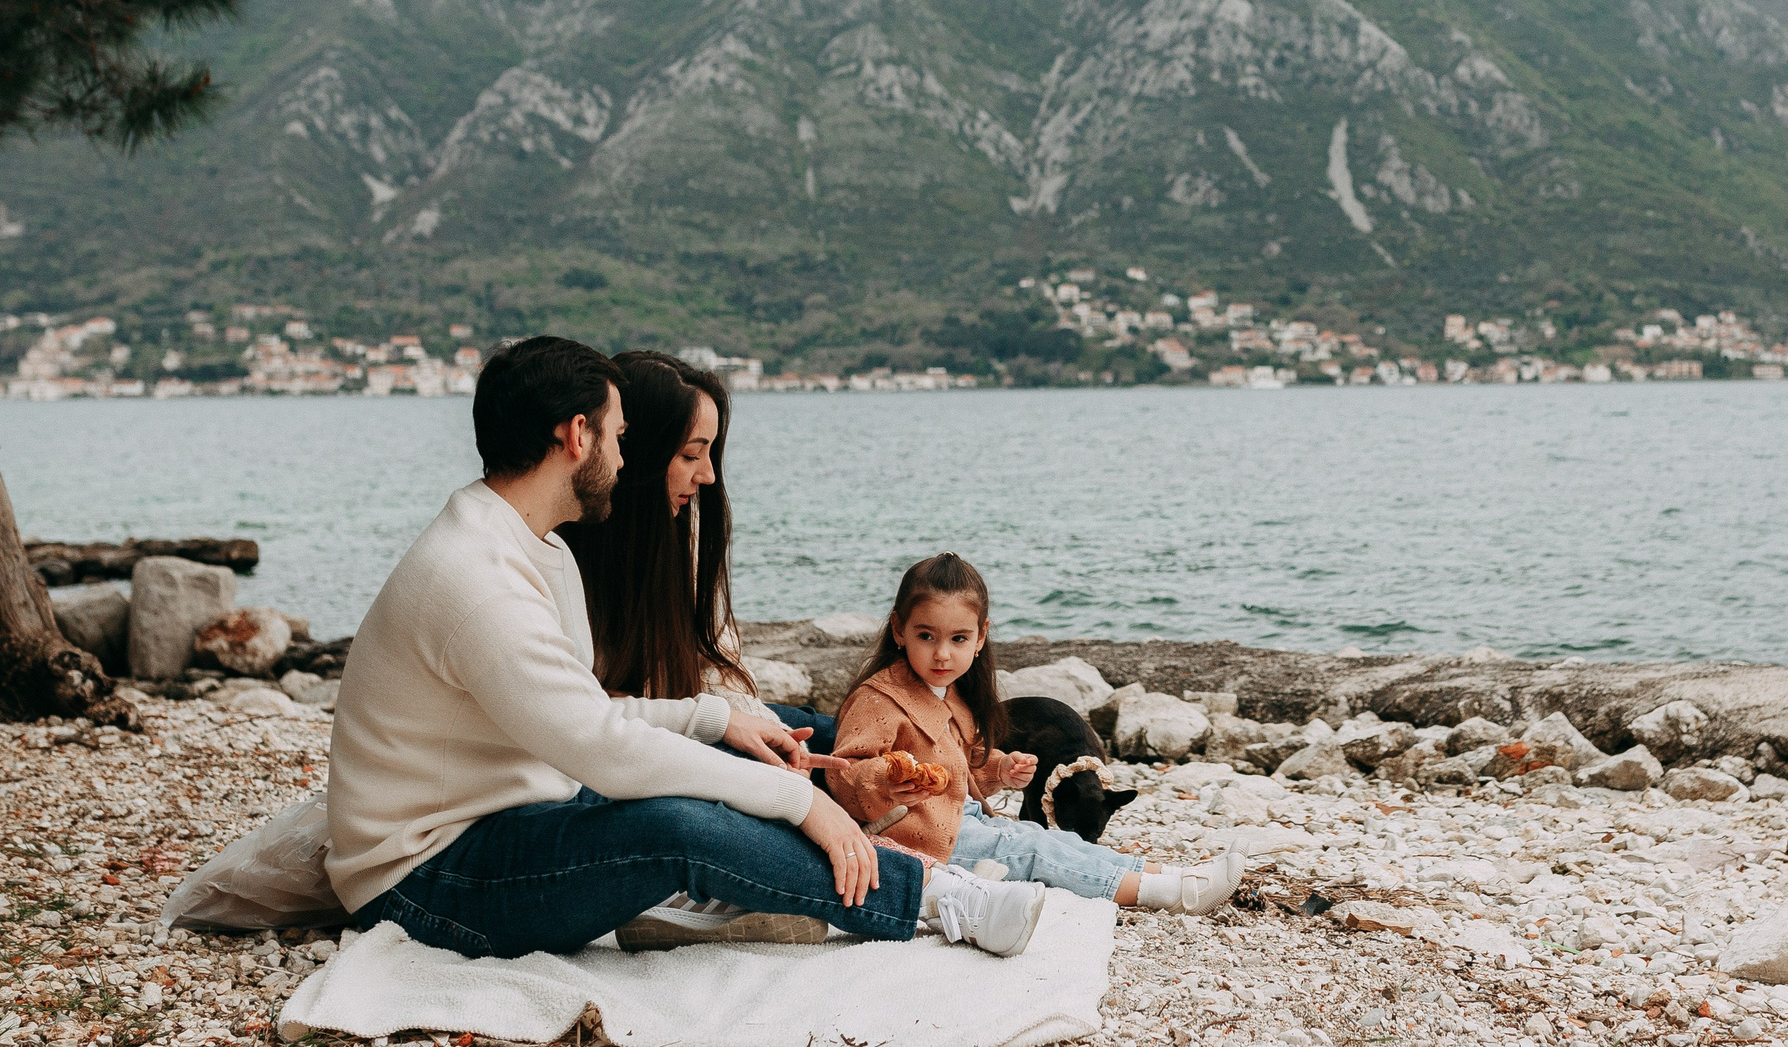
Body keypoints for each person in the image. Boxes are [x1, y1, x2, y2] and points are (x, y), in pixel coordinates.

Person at [323, 335, 1044, 959]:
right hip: (424, 882)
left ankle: (871, 867)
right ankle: (933, 899)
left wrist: (715, 718)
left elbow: (592, 716)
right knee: (671, 825)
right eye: (617, 435)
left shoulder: (533, 547)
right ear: (576, 435)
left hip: (515, 816)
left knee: (740, 752)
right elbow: (603, 746)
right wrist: (803, 806)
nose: (622, 453)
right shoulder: (476, 578)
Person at [829, 552, 1244, 913]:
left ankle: (1173, 872)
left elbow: (963, 760)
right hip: (913, 833)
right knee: (1030, 851)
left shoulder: (949, 693)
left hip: (958, 816)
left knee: (1033, 834)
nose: (942, 653)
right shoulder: (879, 699)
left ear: (980, 637)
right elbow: (843, 772)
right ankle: (1165, 892)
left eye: (958, 638)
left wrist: (1000, 769)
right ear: (899, 630)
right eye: (926, 636)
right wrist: (886, 777)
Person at [561, 350, 834, 757]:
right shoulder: (562, 559)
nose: (707, 475)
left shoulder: (675, 536)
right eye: (691, 454)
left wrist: (763, 726)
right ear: (634, 454)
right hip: (637, 743)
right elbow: (583, 716)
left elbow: (713, 661)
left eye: (709, 454)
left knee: (850, 734)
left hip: (691, 714)